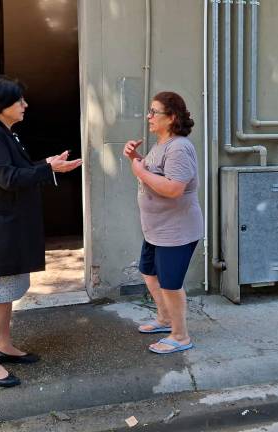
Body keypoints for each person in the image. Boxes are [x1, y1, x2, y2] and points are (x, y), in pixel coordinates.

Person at [0, 75, 82, 387]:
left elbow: (17, 171)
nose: (25, 105)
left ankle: (4, 345)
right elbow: (7, 178)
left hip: (5, 227)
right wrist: (47, 169)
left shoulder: (4, 132)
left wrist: (47, 164)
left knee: (8, 293)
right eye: (19, 101)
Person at [123, 91, 203, 354]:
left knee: (170, 283)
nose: (148, 116)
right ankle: (165, 319)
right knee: (149, 272)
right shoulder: (161, 145)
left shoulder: (179, 147)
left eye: (154, 112)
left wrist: (140, 170)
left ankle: (180, 336)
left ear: (171, 117)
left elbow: (174, 189)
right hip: (156, 230)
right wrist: (135, 158)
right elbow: (150, 173)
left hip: (176, 231)